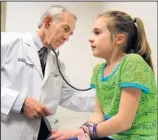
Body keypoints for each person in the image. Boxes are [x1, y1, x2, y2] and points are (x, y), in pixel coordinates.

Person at [50, 10, 157, 140]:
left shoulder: (132, 62)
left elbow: (123, 122)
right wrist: (80, 132)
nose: (90, 38)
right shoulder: (99, 70)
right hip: (114, 136)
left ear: (119, 39)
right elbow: (98, 114)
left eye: (97, 32)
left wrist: (82, 134)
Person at [1, 5, 96, 140]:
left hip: (42, 133)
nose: (67, 38)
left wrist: (110, 95)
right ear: (47, 22)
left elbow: (69, 96)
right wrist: (19, 102)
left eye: (70, 34)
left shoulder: (56, 63)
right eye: (65, 29)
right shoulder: (8, 42)